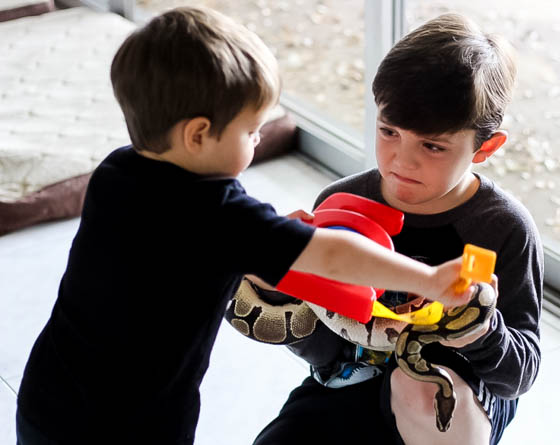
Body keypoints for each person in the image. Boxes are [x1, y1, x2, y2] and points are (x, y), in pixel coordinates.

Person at [14, 7, 470, 445]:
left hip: (49, 394)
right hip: (131, 422)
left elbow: (173, 256)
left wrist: (265, 241)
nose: (257, 140)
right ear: (197, 134)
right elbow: (332, 255)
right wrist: (427, 279)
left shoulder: (114, 172)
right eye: (251, 131)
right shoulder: (221, 216)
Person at [243, 13, 543, 445]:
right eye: (388, 131)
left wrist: (479, 328)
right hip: (348, 381)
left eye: (432, 146)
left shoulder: (502, 228)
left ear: (486, 147)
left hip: (451, 398)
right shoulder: (340, 205)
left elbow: (518, 376)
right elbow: (323, 353)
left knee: (417, 390)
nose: (402, 160)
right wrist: (279, 286)